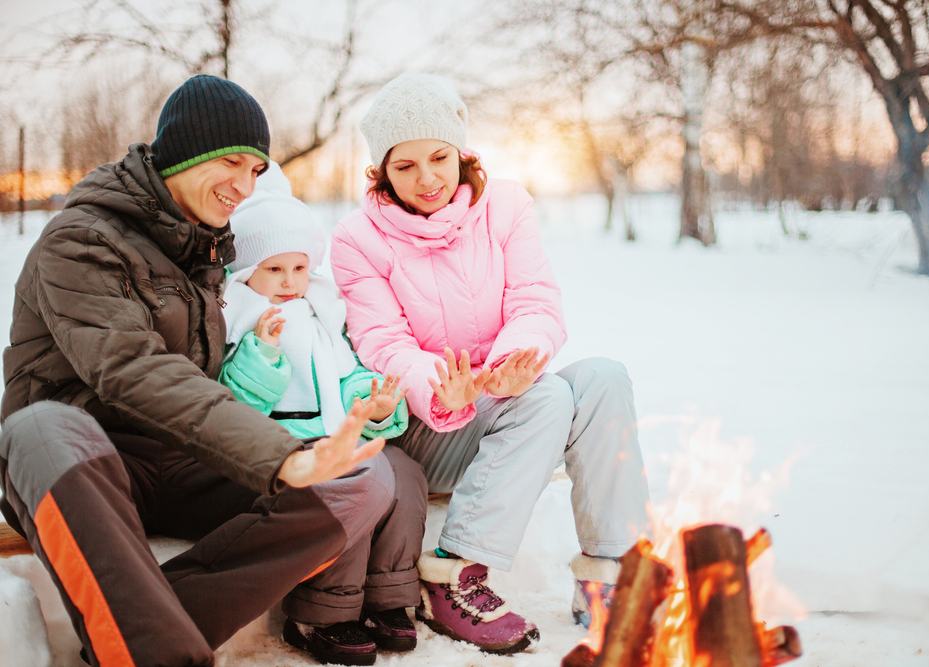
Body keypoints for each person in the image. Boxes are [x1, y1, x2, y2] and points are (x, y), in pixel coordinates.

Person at [0, 74, 391, 667]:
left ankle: (150, 628)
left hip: (174, 459)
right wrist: (277, 455)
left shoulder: (204, 249)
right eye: (232, 162)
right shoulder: (81, 239)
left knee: (361, 480)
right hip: (82, 464)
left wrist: (306, 449)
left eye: (257, 170)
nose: (244, 185)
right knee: (39, 427)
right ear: (182, 153)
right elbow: (132, 368)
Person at [330, 72, 651, 655]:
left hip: (509, 403)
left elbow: (534, 299)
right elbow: (382, 342)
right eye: (405, 167)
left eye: (438, 157)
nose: (427, 178)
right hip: (425, 428)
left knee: (603, 375)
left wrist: (514, 364)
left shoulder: (503, 207)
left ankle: (608, 573)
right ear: (382, 172)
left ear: (461, 153)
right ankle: (452, 575)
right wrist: (441, 388)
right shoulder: (358, 239)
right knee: (549, 397)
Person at [220, 163, 427, 664]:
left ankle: (388, 593)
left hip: (339, 431)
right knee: (352, 476)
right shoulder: (241, 319)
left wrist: (372, 400)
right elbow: (236, 403)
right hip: (286, 447)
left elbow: (346, 374)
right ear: (249, 271)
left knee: (406, 471)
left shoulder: (320, 315)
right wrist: (262, 355)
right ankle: (322, 609)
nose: (290, 282)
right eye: (274, 269)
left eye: (298, 268)